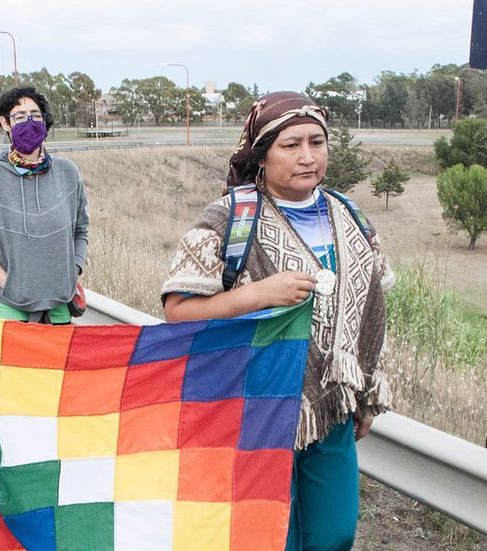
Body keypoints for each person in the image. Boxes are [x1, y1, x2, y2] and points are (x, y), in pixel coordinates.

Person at [161, 91, 394, 551]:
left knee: (335, 531)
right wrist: (257, 295)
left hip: (330, 408)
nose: (308, 157)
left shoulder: (348, 215)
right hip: (253, 408)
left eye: (317, 142)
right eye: (291, 145)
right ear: (262, 155)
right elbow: (177, 312)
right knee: (269, 534)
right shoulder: (230, 219)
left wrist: (364, 395)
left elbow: (371, 307)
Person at [0, 86, 89, 324]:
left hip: (59, 305)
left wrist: (72, 272)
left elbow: (81, 231)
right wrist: (8, 284)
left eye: (36, 115)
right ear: (5, 123)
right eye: (20, 117)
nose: (29, 122)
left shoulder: (68, 173)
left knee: (56, 363)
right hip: (8, 306)